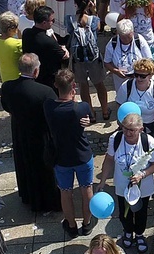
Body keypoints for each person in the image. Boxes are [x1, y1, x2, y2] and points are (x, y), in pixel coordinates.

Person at [1, 53, 62, 213]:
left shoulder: (7, 87)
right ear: (36, 71)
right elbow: (54, 114)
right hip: (40, 135)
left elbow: (6, 107)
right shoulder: (45, 92)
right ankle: (48, 202)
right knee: (43, 170)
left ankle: (28, 196)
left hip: (20, 132)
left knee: (25, 165)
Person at [97, 113, 154, 253]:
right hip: (122, 186)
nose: (127, 133)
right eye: (125, 128)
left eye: (132, 130)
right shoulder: (116, 138)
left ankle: (139, 234)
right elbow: (109, 159)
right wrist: (102, 181)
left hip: (142, 187)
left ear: (141, 129)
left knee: (140, 212)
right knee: (124, 213)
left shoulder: (148, 142)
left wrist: (142, 174)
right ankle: (127, 231)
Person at [43, 68, 96, 238]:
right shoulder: (81, 108)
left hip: (61, 158)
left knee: (65, 192)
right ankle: (87, 223)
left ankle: (71, 225)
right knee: (86, 189)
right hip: (82, 155)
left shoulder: (49, 106)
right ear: (74, 86)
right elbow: (86, 115)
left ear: (56, 86)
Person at [66, 0, 109, 122]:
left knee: (83, 86)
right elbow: (99, 28)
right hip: (93, 58)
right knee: (99, 84)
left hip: (78, 59)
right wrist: (94, 11)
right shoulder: (93, 19)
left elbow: (70, 32)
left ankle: (91, 114)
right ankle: (105, 111)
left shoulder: (69, 19)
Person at [115, 58, 154, 140]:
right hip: (130, 127)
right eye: (136, 75)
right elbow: (119, 105)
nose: (139, 79)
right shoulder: (126, 86)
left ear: (150, 75)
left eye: (143, 76)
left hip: (151, 127)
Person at [22, 6, 69, 90]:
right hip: (48, 79)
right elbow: (64, 56)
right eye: (52, 21)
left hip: (33, 75)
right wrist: (64, 48)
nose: (53, 23)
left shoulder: (26, 33)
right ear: (44, 23)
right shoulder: (48, 41)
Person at [104, 19, 153, 95]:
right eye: (123, 37)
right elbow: (107, 62)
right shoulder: (112, 43)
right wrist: (116, 71)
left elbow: (149, 60)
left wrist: (140, 73)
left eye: (128, 37)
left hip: (138, 79)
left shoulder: (139, 40)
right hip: (120, 81)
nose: (126, 40)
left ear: (132, 32)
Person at [0, 12, 23, 83]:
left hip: (5, 78)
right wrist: (20, 36)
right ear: (10, 29)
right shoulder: (17, 44)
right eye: (16, 27)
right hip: (17, 78)